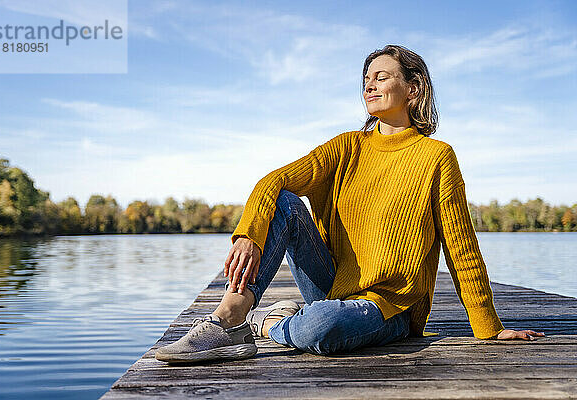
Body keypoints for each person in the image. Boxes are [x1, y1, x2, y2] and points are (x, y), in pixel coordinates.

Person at [155, 44, 545, 363]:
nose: (369, 86)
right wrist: (249, 235)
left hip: (391, 305)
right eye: (366, 80)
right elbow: (273, 181)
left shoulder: (436, 157)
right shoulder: (347, 147)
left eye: (382, 77)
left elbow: (461, 247)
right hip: (334, 285)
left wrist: (488, 326)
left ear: (414, 89)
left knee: (320, 329)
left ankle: (270, 322)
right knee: (284, 202)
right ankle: (229, 319)